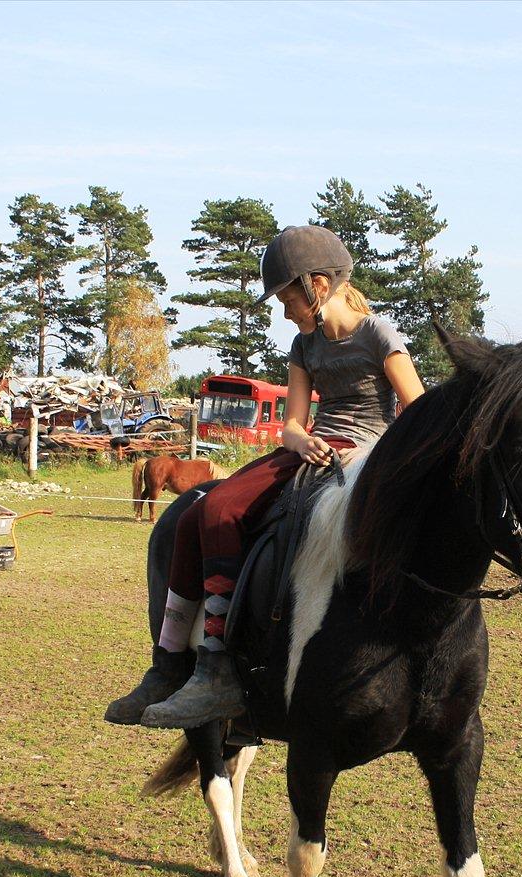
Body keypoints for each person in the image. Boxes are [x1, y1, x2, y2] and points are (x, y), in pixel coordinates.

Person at [105, 225, 425, 730]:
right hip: (314, 451)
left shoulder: (379, 336)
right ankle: (176, 667)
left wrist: (374, 458)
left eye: (286, 298)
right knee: (203, 509)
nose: (284, 311)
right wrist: (301, 441)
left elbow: (418, 413)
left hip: (368, 459)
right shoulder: (304, 346)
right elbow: (294, 424)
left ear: (317, 286)